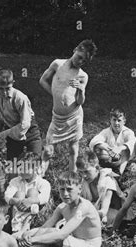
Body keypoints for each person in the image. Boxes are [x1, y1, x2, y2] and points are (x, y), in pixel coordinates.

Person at [40, 39, 97, 173]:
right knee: (48, 149)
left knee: (73, 148)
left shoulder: (82, 75)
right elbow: (42, 81)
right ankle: (38, 178)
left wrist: (81, 89)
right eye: (79, 57)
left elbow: (80, 101)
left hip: (74, 115)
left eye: (84, 61)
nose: (80, 62)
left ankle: (73, 176)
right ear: (75, 50)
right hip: (57, 117)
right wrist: (55, 95)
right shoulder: (57, 64)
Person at [17, 171, 102, 247]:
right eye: (62, 189)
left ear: (80, 189)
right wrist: (29, 237)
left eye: (69, 189)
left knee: (52, 233)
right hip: (75, 241)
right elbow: (44, 228)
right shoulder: (62, 207)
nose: (65, 194)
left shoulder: (84, 207)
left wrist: (32, 240)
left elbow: (62, 234)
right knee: (31, 232)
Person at [0, 68, 42, 193]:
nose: (4, 92)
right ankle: (12, 194)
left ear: (13, 83)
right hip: (12, 133)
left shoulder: (20, 98)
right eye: (0, 88)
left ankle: (36, 196)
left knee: (35, 165)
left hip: (29, 131)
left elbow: (25, 124)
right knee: (12, 166)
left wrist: (5, 133)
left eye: (7, 88)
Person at [3, 152, 51, 237]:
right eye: (19, 167)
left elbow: (45, 197)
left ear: (36, 168)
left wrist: (30, 201)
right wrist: (15, 201)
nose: (21, 171)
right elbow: (7, 195)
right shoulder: (15, 181)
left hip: (34, 213)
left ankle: (27, 225)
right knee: (19, 194)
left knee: (32, 191)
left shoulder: (43, 183)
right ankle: (17, 228)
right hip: (18, 210)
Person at [76, 150, 124, 226]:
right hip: (94, 210)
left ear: (97, 168)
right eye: (80, 172)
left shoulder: (107, 180)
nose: (83, 176)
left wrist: (82, 215)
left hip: (112, 211)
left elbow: (104, 211)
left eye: (86, 172)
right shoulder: (85, 182)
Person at [88, 107, 136, 174]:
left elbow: (133, 141)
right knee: (98, 147)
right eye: (114, 120)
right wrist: (106, 148)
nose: (116, 123)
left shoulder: (128, 132)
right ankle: (102, 168)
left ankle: (120, 173)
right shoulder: (106, 132)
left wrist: (120, 148)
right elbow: (94, 141)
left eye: (119, 120)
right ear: (110, 120)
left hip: (124, 160)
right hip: (111, 158)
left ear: (124, 121)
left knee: (126, 150)